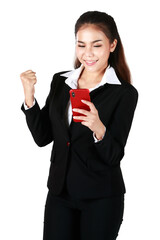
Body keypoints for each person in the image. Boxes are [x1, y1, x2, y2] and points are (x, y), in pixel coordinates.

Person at [20, 11, 138, 240]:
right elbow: (43, 137)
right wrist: (29, 98)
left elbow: (114, 155)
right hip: (60, 193)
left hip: (101, 197)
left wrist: (98, 127)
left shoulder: (124, 93)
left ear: (112, 45)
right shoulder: (61, 81)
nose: (88, 54)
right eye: (81, 45)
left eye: (97, 45)